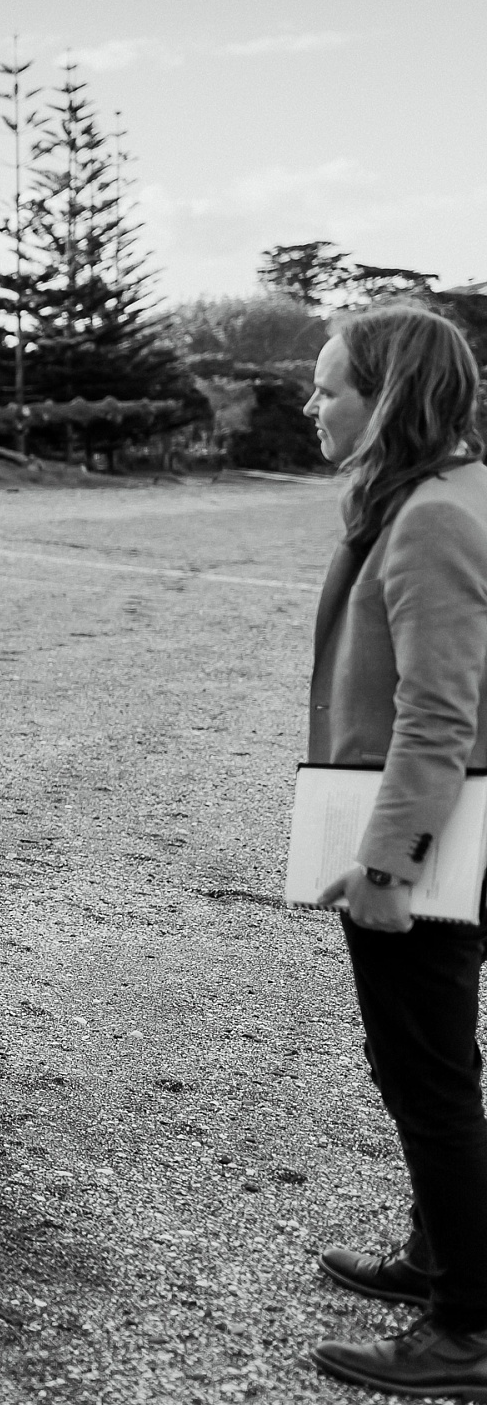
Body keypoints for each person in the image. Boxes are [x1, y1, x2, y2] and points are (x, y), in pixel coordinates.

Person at [302, 305, 487, 1397]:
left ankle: (465, 1326)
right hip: (444, 833)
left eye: (330, 387)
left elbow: (438, 715)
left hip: (432, 844)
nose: (313, 404)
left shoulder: (432, 519)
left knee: (427, 1078)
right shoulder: (446, 495)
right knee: (429, 1068)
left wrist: (387, 867)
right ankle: (438, 1254)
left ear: (388, 401)